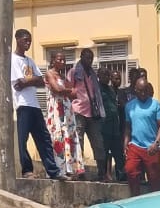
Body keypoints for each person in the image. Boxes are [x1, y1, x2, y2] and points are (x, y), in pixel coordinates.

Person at [10, 29, 60, 180]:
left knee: (44, 138)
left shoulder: (30, 61)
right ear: (17, 39)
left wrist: (28, 81)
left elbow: (41, 81)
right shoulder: (12, 59)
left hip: (35, 105)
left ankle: (53, 171)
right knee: (23, 139)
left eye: (30, 40)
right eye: (25, 39)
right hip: (22, 105)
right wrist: (31, 81)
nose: (28, 43)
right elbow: (19, 83)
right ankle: (27, 170)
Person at [123, 78, 160, 195]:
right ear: (135, 90)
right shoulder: (129, 106)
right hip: (135, 145)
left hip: (152, 147)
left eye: (145, 91)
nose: (143, 94)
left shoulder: (156, 105)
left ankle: (155, 200)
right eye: (140, 91)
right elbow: (128, 126)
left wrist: (157, 143)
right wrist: (126, 142)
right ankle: (135, 198)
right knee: (130, 170)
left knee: (154, 177)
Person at [42, 50, 83, 179]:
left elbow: (74, 93)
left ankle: (69, 169)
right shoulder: (49, 74)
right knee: (57, 137)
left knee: (68, 136)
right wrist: (68, 90)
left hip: (66, 110)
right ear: (53, 60)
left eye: (64, 60)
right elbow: (57, 89)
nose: (63, 62)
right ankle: (58, 169)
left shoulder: (62, 77)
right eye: (59, 59)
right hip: (56, 109)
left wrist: (67, 91)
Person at [69, 48, 105, 177]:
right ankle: (79, 171)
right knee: (79, 142)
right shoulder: (74, 72)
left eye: (91, 58)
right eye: (87, 57)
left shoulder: (92, 74)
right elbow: (69, 90)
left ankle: (102, 172)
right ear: (81, 57)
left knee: (98, 142)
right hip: (79, 111)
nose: (89, 60)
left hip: (93, 112)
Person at [97, 67, 125, 181]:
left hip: (115, 126)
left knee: (118, 152)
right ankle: (103, 174)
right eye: (104, 75)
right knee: (104, 152)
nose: (107, 78)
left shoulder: (110, 90)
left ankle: (121, 175)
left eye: (108, 76)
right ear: (99, 76)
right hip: (103, 126)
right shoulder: (97, 89)